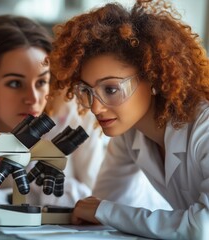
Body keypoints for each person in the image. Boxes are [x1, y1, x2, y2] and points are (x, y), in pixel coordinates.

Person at [49, 0, 209, 238]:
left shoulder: (204, 127)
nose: (95, 107)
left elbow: (202, 227)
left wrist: (104, 211)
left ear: (153, 78)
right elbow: (101, 209)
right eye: (87, 91)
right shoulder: (129, 135)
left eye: (111, 89)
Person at [0, 14, 106, 207]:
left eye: (41, 82)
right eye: (15, 83)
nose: (33, 98)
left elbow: (102, 202)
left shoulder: (75, 120)